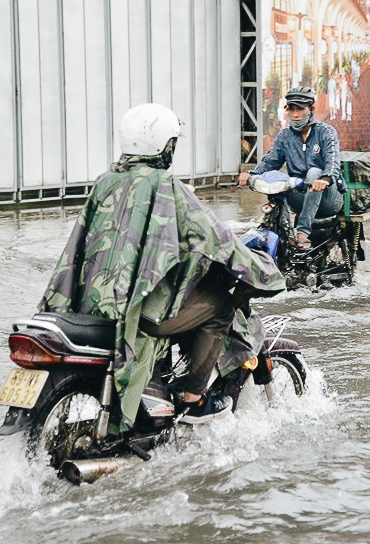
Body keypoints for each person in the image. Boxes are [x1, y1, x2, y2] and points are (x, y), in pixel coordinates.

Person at [40, 103, 286, 433]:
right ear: (165, 145)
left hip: (94, 306)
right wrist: (261, 269)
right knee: (220, 307)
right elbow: (217, 238)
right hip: (137, 310)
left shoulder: (105, 182)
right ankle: (194, 398)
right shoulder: (167, 187)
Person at [238, 86, 346, 251]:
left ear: (311, 109)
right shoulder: (284, 136)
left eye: (300, 109)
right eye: (291, 110)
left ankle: (302, 231)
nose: (295, 115)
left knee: (314, 172)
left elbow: (333, 161)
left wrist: (325, 179)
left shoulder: (326, 132)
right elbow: (270, 162)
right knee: (277, 177)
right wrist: (251, 174)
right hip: (300, 198)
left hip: (328, 198)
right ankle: (286, 234)